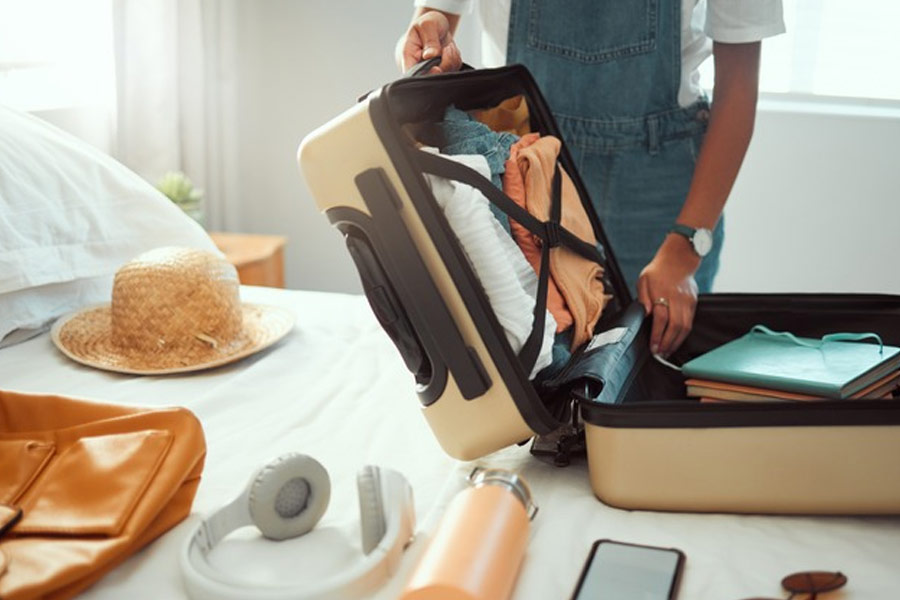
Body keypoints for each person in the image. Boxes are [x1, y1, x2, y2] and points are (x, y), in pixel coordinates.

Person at [395, 0, 784, 358]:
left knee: (646, 385)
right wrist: (427, 39)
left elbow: (738, 87)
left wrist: (684, 251)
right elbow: (434, 21)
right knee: (527, 376)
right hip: (524, 175)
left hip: (659, 199)